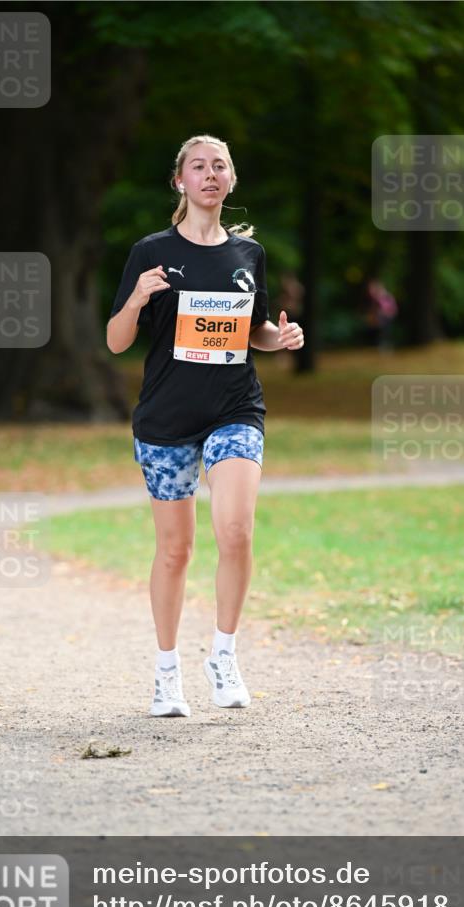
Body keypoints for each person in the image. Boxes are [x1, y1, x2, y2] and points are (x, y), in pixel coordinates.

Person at [107, 134, 305, 717]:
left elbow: (254, 330)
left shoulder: (249, 255)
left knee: (236, 530)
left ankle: (224, 654)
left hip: (234, 409)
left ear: (232, 180)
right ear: (181, 182)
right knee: (175, 550)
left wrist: (280, 338)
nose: (210, 174)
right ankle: (166, 673)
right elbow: (116, 340)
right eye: (199, 166)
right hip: (166, 417)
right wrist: (139, 298)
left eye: (220, 166)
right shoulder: (151, 252)